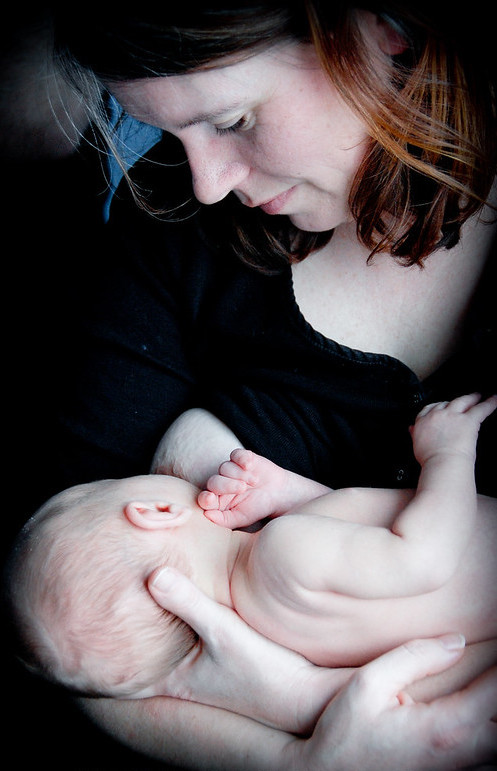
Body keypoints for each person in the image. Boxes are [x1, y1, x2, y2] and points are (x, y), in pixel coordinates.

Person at [14, 2, 497, 768]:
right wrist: (297, 756)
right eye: (169, 133)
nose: (205, 182)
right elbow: (70, 636)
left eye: (232, 120)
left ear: (376, 30)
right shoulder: (173, 217)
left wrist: (297, 698)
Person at [7, 395, 497, 724]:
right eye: (115, 481)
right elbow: (422, 561)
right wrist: (447, 456)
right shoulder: (283, 550)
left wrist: (290, 493)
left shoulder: (267, 622)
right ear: (154, 511)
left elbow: (359, 542)